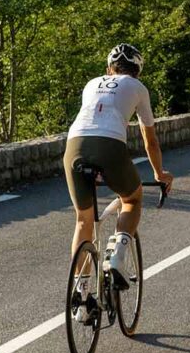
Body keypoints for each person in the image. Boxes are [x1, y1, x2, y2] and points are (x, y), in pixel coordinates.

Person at [65, 43, 173, 297]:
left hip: (74, 146)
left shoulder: (91, 83)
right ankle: (118, 257)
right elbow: (151, 141)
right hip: (110, 146)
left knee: (83, 220)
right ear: (137, 71)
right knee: (132, 199)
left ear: (108, 69)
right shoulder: (138, 88)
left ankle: (81, 296)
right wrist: (159, 174)